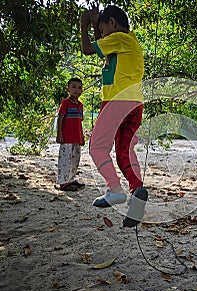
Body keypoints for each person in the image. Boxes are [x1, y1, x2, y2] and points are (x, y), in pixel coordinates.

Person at [80, 5, 148, 227]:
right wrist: (97, 24)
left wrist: (85, 24)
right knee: (125, 150)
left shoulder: (119, 37)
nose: (101, 35)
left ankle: (114, 188)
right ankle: (137, 190)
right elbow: (100, 43)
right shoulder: (129, 42)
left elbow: (88, 48)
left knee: (96, 147)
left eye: (102, 29)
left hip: (117, 102)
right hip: (134, 104)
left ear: (112, 23)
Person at [56, 78, 85, 192]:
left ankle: (71, 179)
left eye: (79, 87)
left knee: (75, 160)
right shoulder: (65, 103)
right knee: (65, 160)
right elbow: (61, 118)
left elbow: (79, 122)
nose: (76, 90)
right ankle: (63, 182)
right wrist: (59, 134)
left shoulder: (80, 105)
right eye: (73, 87)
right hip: (67, 138)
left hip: (76, 138)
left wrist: (82, 137)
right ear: (68, 89)